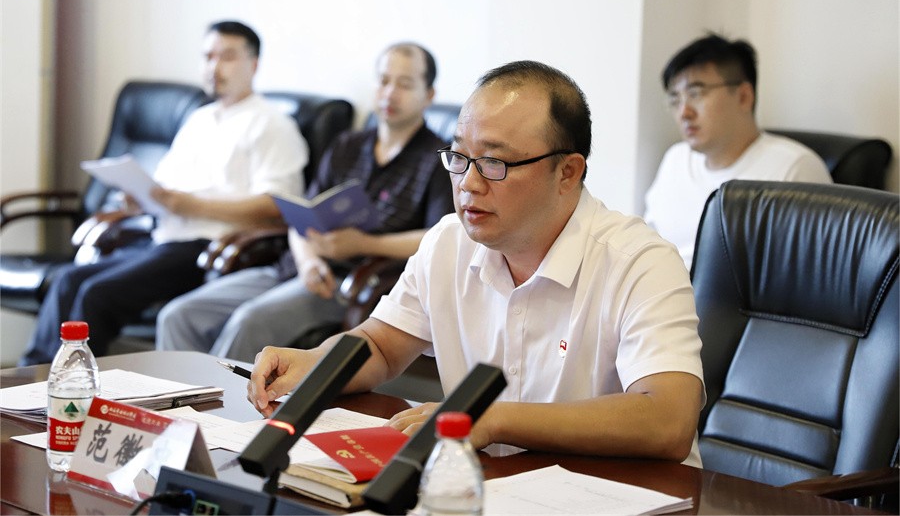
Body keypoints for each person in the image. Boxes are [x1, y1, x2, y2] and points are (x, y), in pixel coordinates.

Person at [249, 61, 705, 465]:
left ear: (568, 171)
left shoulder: (639, 262)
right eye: (459, 157)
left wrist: (493, 419)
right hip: (485, 486)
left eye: (493, 162)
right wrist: (313, 362)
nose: (467, 182)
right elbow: (381, 346)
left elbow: (667, 419)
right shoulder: (449, 242)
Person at [20, 20, 308, 365]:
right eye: (208, 56)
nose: (214, 66)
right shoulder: (198, 119)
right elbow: (165, 188)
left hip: (208, 249)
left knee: (97, 293)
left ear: (254, 64)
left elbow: (277, 206)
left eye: (227, 57)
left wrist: (190, 205)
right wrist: (139, 199)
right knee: (67, 279)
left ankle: (74, 382)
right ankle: (31, 376)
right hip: (161, 237)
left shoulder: (272, 124)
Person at [156, 42, 454, 362]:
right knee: (178, 314)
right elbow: (301, 216)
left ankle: (223, 397)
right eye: (383, 81)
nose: (389, 93)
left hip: (350, 283)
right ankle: (179, 395)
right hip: (295, 268)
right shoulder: (348, 145)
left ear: (429, 95)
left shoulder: (438, 160)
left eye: (404, 84)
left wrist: (364, 244)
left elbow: (439, 237)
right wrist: (308, 261)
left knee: (249, 321)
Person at [644, 33, 832, 268]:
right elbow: (646, 246)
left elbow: (812, 271)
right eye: (675, 99)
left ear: (744, 96)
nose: (684, 113)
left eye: (695, 94)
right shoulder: (676, 159)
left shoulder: (795, 168)